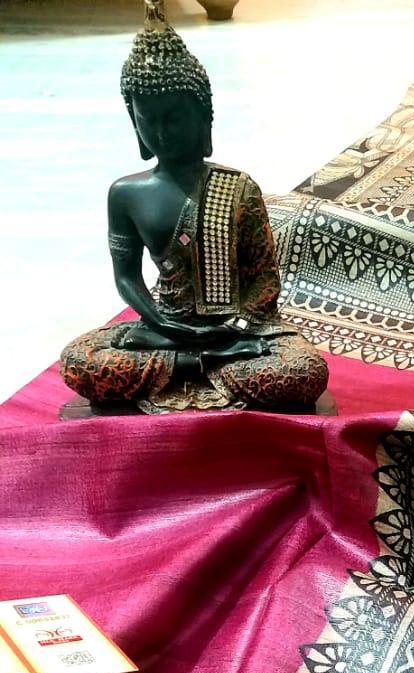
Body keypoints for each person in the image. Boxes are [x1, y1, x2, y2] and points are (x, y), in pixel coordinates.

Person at [60, 1, 328, 413]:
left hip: (235, 332)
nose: (161, 132)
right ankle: (198, 363)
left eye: (174, 118)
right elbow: (126, 277)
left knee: (302, 371)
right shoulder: (125, 194)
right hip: (164, 330)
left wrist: (234, 327)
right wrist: (158, 321)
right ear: (133, 121)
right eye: (148, 119)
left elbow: (264, 281)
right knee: (81, 362)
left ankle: (194, 362)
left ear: (204, 117)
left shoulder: (238, 188)